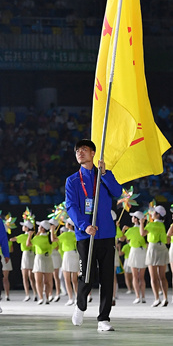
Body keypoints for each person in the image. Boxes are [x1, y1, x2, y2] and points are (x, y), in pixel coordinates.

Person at [67, 138, 122, 332]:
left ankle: (103, 319)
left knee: (107, 278)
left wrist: (105, 174)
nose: (80, 153)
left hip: (106, 234)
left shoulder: (104, 175)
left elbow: (118, 191)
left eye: (84, 150)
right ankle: (80, 305)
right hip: (85, 235)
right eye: (78, 151)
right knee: (87, 275)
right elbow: (71, 206)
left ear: (93, 154)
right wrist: (84, 225)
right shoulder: (72, 180)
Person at [142, 205, 170, 307]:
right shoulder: (162, 225)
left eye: (153, 212)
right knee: (162, 276)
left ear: (158, 214)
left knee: (153, 277)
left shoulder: (151, 224)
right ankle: (165, 297)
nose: (151, 213)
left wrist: (142, 223)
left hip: (153, 248)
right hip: (162, 248)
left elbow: (142, 233)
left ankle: (157, 298)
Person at [29, 220, 56, 304]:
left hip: (45, 259)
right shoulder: (39, 237)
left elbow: (28, 244)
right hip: (40, 259)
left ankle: (46, 298)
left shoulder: (47, 237)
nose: (38, 228)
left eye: (40, 226)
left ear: (43, 229)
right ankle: (42, 297)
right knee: (41, 281)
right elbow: (29, 244)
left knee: (45, 281)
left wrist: (51, 231)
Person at [124, 213, 148, 304]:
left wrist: (122, 229)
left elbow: (122, 239)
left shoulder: (131, 230)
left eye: (133, 217)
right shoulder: (145, 229)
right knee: (141, 277)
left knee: (135, 276)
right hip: (142, 251)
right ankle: (143, 297)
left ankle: (138, 296)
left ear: (136, 219)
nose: (132, 218)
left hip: (134, 252)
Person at [56, 220, 80, 307]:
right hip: (76, 255)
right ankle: (77, 298)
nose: (65, 224)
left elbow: (54, 239)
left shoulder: (65, 234)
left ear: (70, 226)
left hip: (68, 255)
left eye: (67, 223)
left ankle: (70, 299)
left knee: (67, 279)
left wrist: (51, 230)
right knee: (74, 280)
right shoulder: (77, 233)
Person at [12, 221, 37, 301]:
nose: (22, 227)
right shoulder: (34, 236)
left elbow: (12, 239)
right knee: (32, 277)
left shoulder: (22, 236)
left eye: (24, 226)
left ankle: (27, 295)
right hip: (33, 255)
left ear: (27, 228)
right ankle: (35, 293)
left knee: (25, 277)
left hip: (26, 255)